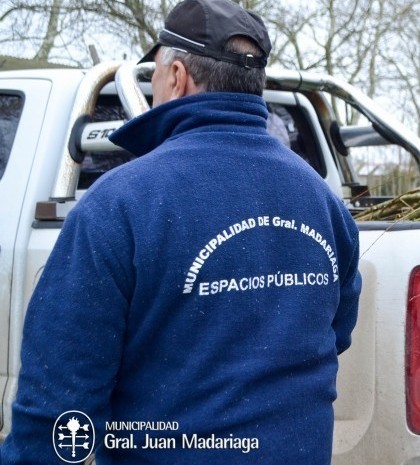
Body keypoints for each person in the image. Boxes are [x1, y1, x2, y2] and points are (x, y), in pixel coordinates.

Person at [0, 0, 361, 463]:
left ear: (175, 77)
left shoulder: (117, 205)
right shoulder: (324, 200)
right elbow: (336, 332)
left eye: (154, 78)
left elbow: (56, 412)